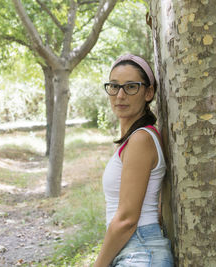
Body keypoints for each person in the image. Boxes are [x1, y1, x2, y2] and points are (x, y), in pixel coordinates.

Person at [94, 54, 173, 267]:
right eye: (114, 86)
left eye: (131, 87)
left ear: (148, 92)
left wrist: (98, 264)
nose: (120, 95)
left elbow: (127, 219)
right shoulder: (134, 139)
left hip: (140, 252)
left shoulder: (141, 139)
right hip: (134, 250)